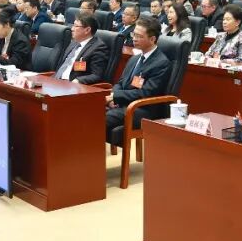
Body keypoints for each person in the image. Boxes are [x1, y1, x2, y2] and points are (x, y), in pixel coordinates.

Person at [105, 16, 172, 146]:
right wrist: (114, 97)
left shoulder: (161, 63)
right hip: (125, 104)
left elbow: (145, 93)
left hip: (143, 108)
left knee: (101, 119)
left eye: (139, 36)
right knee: (91, 110)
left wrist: (117, 97)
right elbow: (121, 82)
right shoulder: (135, 59)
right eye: (133, 34)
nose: (134, 38)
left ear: (152, 39)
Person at [53, 12, 109, 84]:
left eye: (76, 26)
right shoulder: (73, 42)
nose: (72, 29)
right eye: (73, 25)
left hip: (72, 85)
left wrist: (78, 81)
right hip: (56, 81)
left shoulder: (98, 48)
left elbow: (96, 75)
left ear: (87, 30)